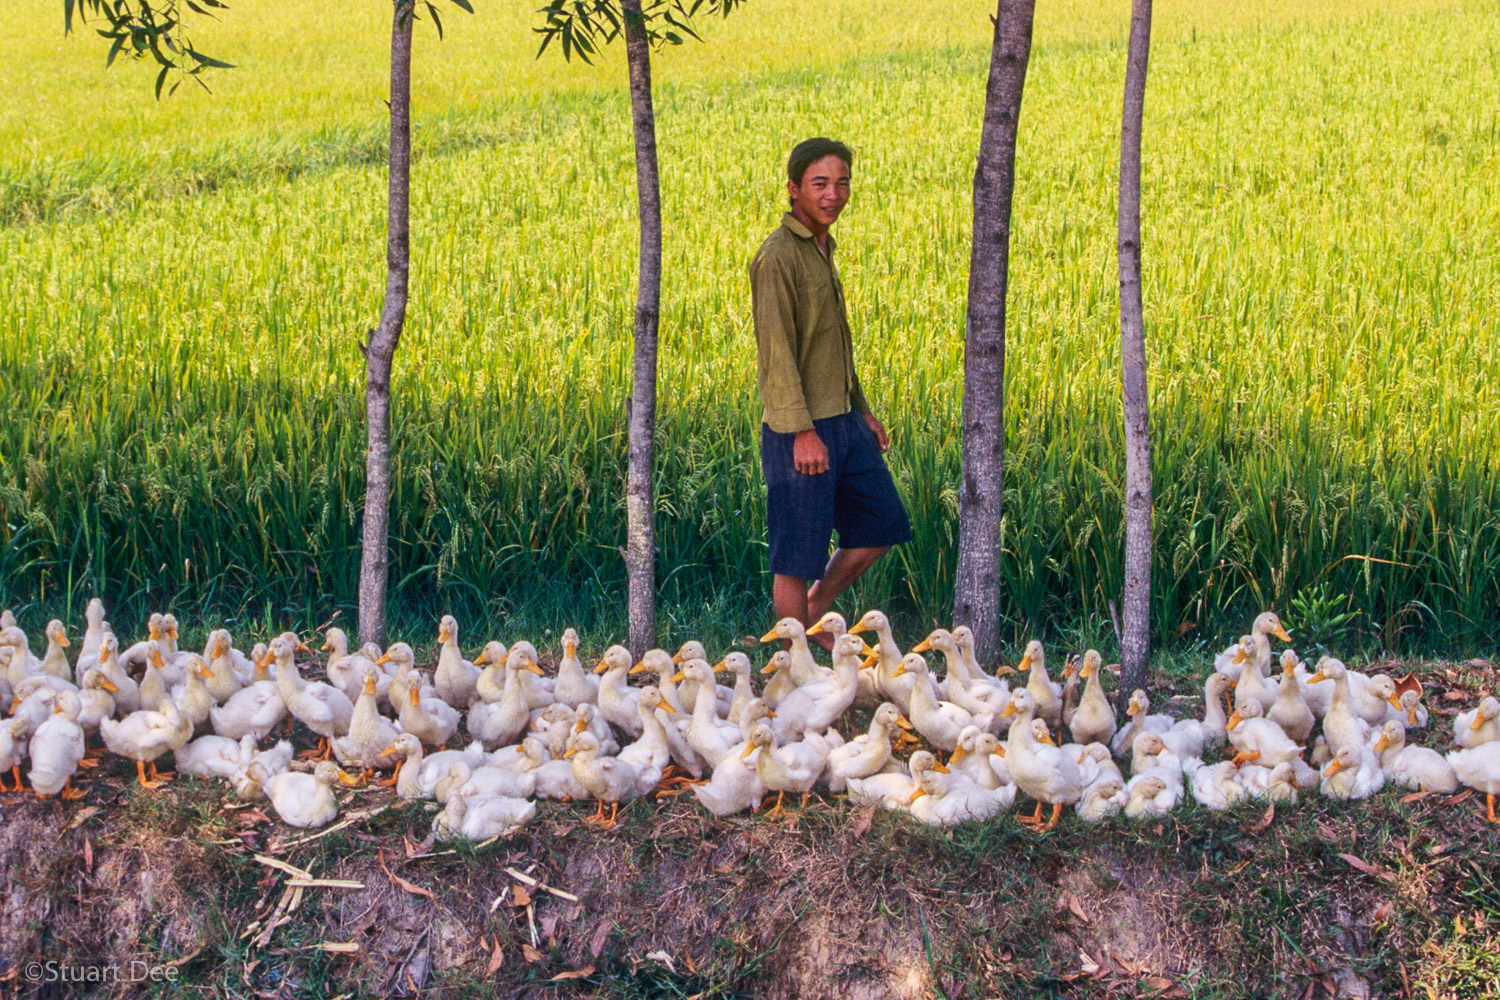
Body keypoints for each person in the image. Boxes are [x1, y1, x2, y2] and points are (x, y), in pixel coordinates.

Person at [749, 137, 913, 648]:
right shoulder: (778, 258)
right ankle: (793, 662)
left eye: (842, 183)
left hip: (842, 420)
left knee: (881, 523)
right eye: (820, 183)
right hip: (799, 428)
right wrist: (801, 433)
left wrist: (862, 411)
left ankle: (813, 615)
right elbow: (778, 356)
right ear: (794, 188)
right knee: (797, 556)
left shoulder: (821, 247)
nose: (833, 194)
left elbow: (830, 345)